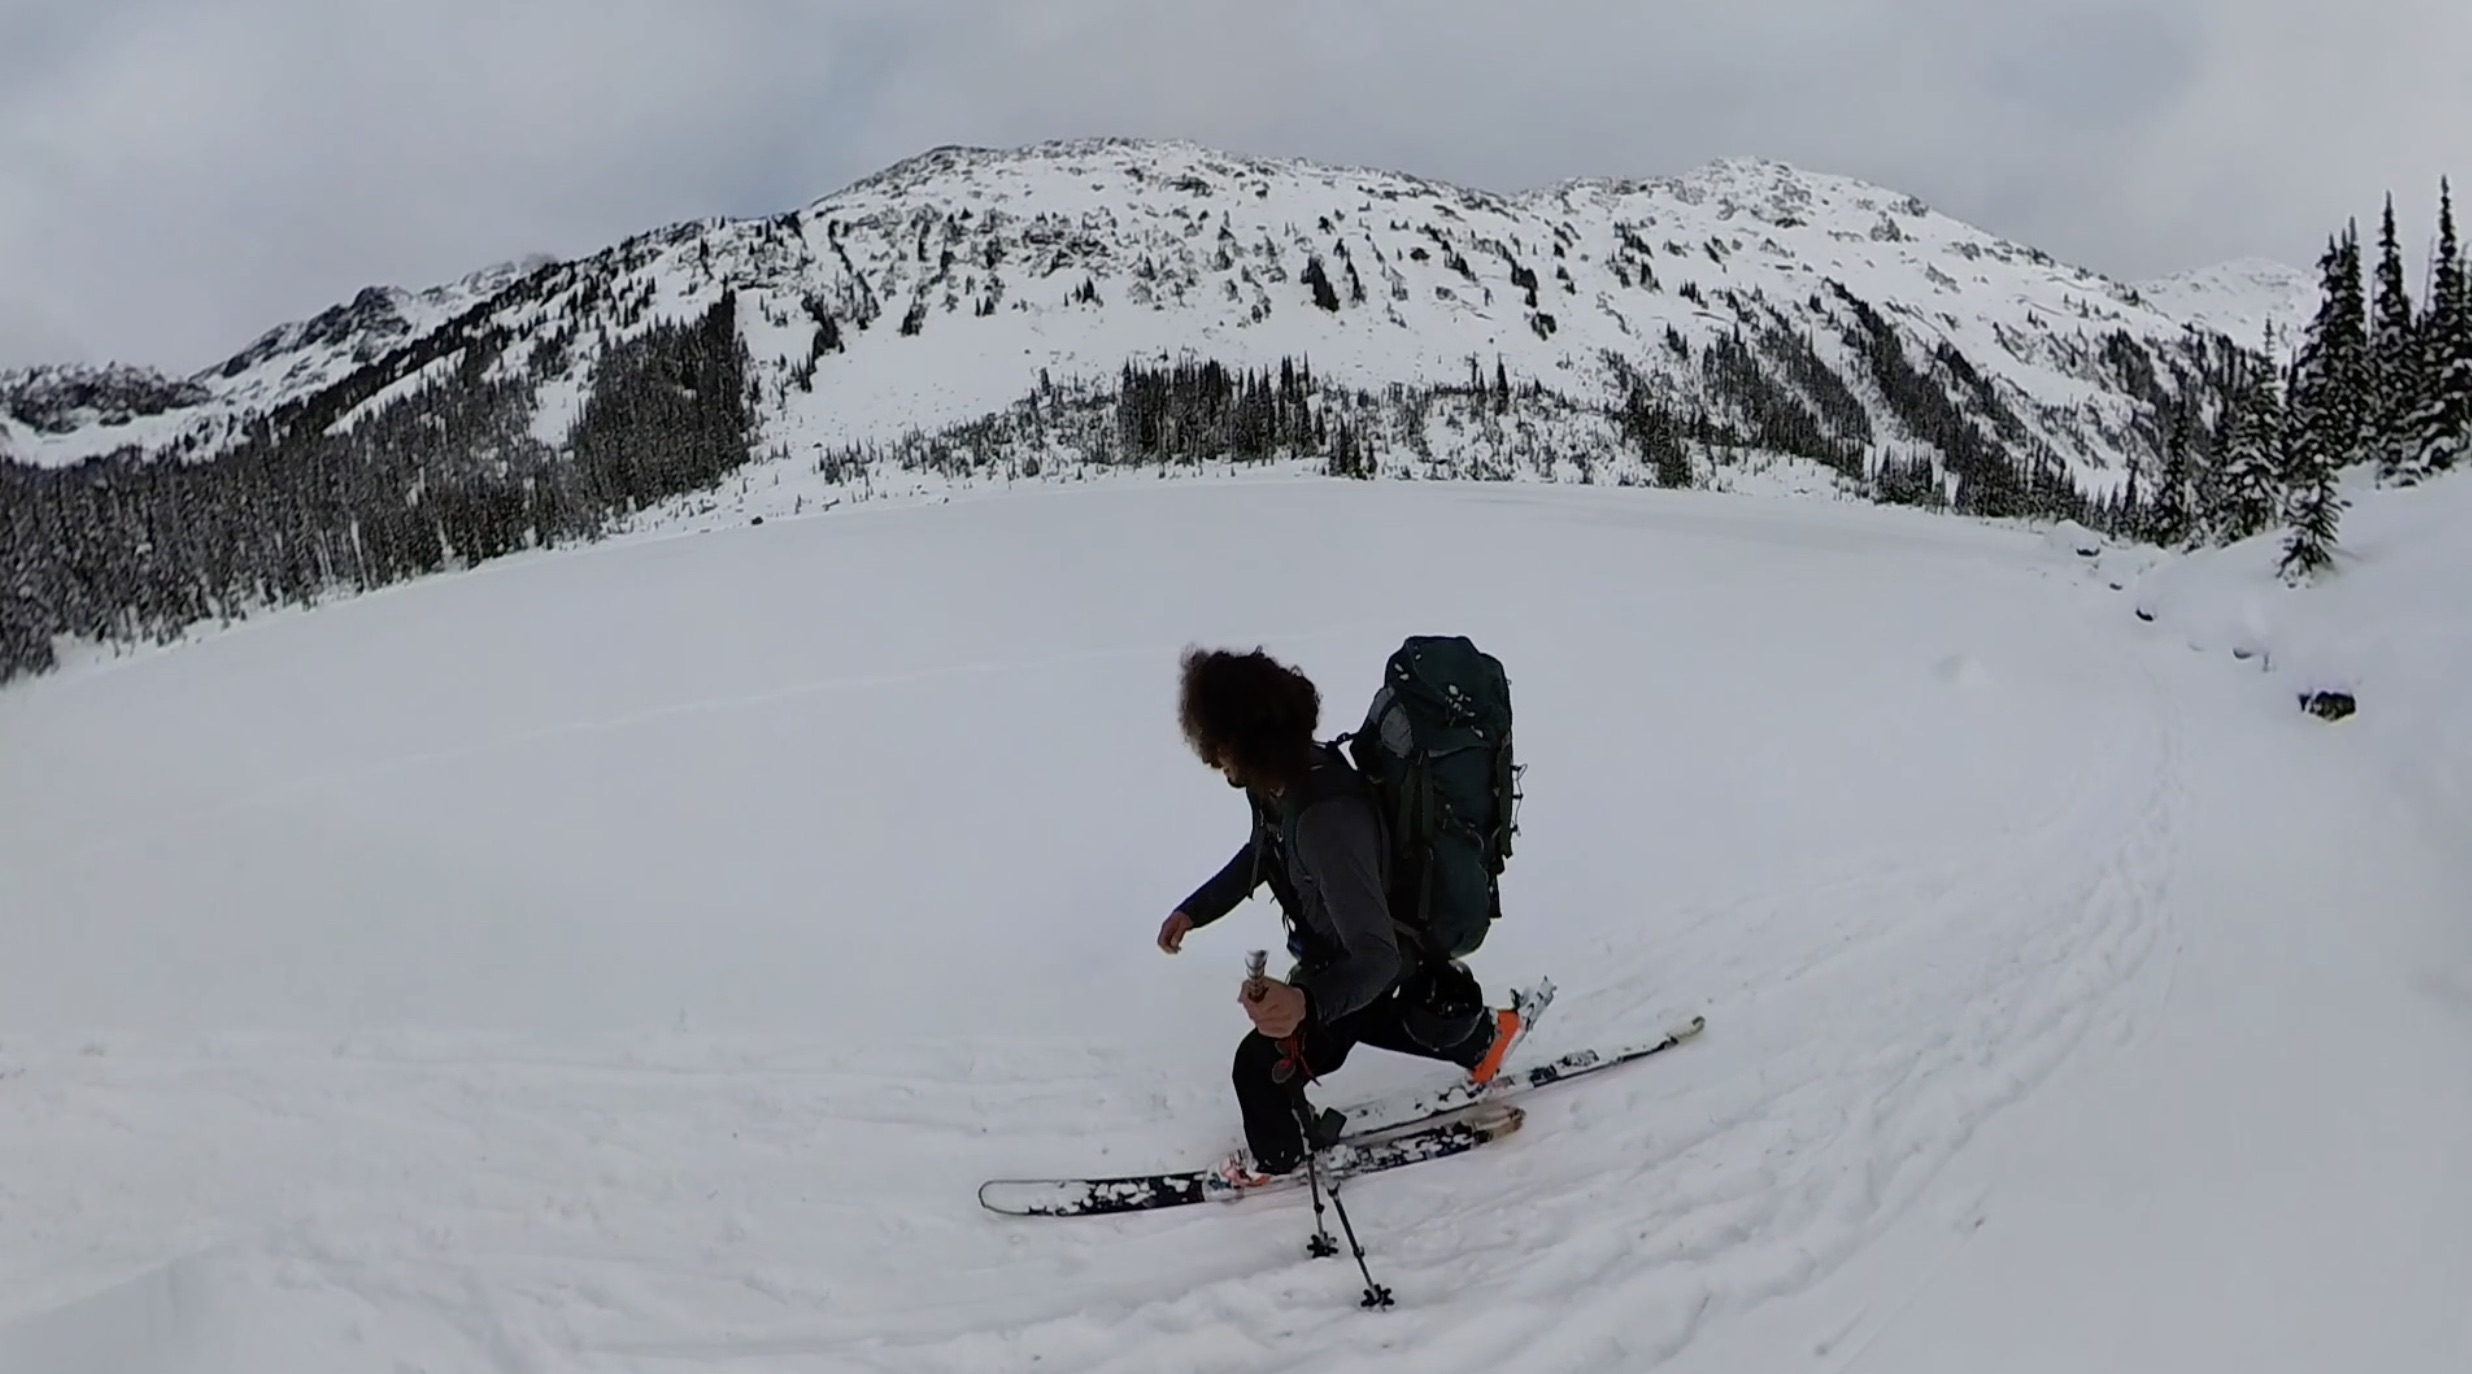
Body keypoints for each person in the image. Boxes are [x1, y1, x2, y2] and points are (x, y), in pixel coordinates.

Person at [1158, 645, 1525, 1188]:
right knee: (1378, 1016)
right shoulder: (1281, 782)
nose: (1214, 760)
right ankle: (1484, 1038)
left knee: (1258, 1068)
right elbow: (1265, 851)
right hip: (1343, 953)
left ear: (1244, 744)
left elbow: (1374, 960)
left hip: (1365, 959)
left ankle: (1275, 1162)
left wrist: (1304, 1003)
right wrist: (1196, 910)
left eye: (1217, 747)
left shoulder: (1328, 821)